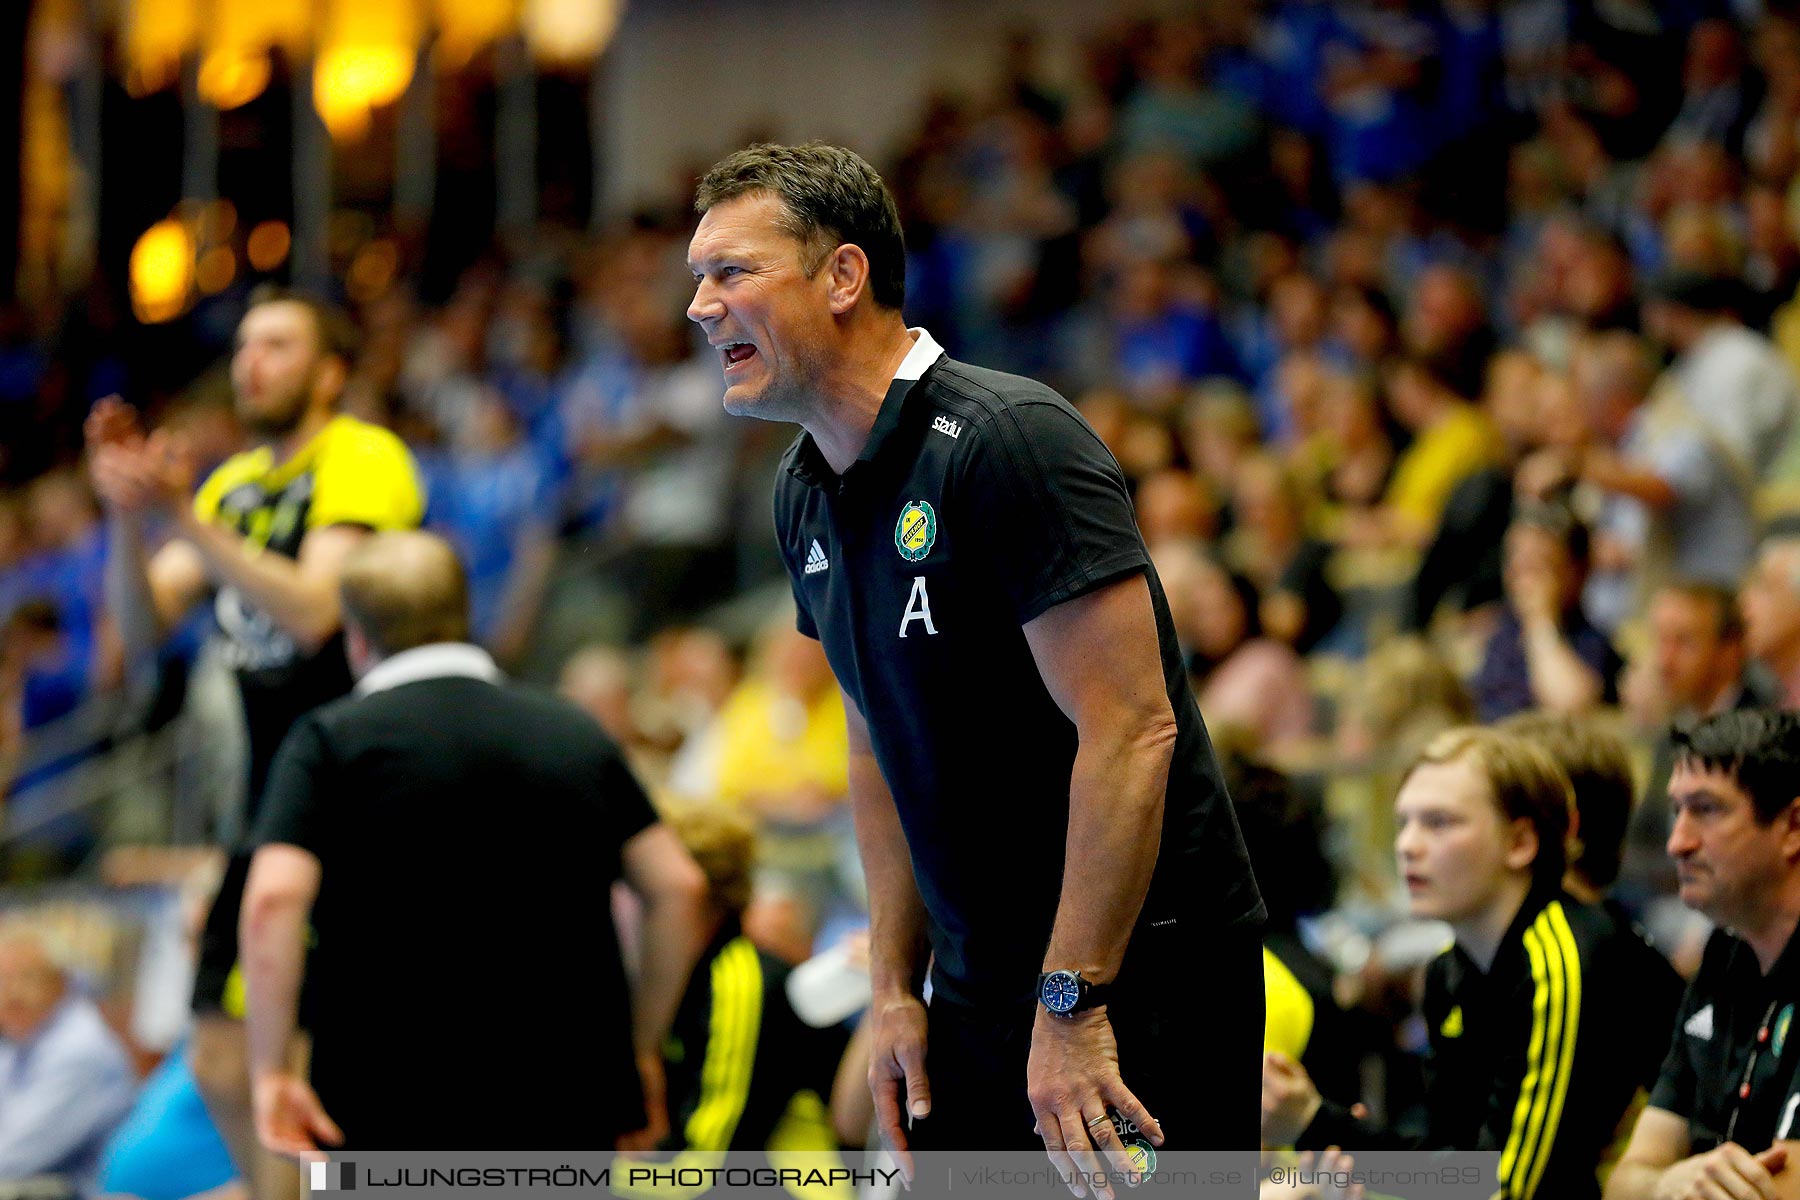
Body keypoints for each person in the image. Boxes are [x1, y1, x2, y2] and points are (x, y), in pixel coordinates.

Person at [685, 143, 1264, 1186]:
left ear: (843, 276)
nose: (700, 306)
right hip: (978, 986)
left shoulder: (1009, 439)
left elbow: (1133, 730)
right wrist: (893, 977)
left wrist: (1074, 1004)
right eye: (699, 278)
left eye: (732, 273)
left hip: (1133, 976)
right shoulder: (804, 488)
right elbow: (877, 734)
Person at [84, 288, 425, 1183]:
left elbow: (317, 610)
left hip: (359, 808)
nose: (251, 363)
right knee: (223, 1060)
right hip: (262, 810)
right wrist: (127, 517)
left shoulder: (362, 456)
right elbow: (137, 631)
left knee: (320, 1066)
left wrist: (184, 519)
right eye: (243, 347)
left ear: (329, 371)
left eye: (277, 345)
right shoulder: (232, 488)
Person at [239, 531, 708, 1152]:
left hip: (385, 1106)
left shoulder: (331, 742)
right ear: (466, 617)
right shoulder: (571, 730)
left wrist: (271, 1070)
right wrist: (641, 1049)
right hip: (567, 1104)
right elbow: (679, 886)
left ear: (355, 637)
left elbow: (273, 899)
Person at [1262, 728, 1682, 1200]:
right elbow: (1459, 1161)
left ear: (1520, 842)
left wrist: (1317, 1126)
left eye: (1439, 823)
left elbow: (1513, 1189)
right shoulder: (1449, 971)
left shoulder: (1563, 963)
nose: (1408, 846)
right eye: (1404, 823)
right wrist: (1323, 1127)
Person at [1605, 710, 1800, 1200]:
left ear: (1793, 826)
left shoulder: (1564, 963)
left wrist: (1389, 1174)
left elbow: (1509, 1179)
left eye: (1707, 810)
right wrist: (1668, 1183)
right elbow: (1624, 1182)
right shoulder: (1725, 954)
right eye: (1677, 812)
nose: (1677, 843)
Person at [0, 927, 136, 1196]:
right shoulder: (21, 1043)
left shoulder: (79, 1049)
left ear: (61, 981)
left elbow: (13, 1157)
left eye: (27, 978)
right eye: (2, 981)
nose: (12, 994)